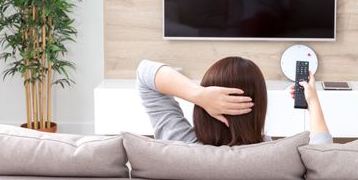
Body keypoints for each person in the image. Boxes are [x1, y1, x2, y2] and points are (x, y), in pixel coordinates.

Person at [137, 56, 332, 145]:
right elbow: (323, 156)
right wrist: (313, 102)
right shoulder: (277, 155)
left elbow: (145, 73)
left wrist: (199, 95)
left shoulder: (178, 144)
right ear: (260, 106)